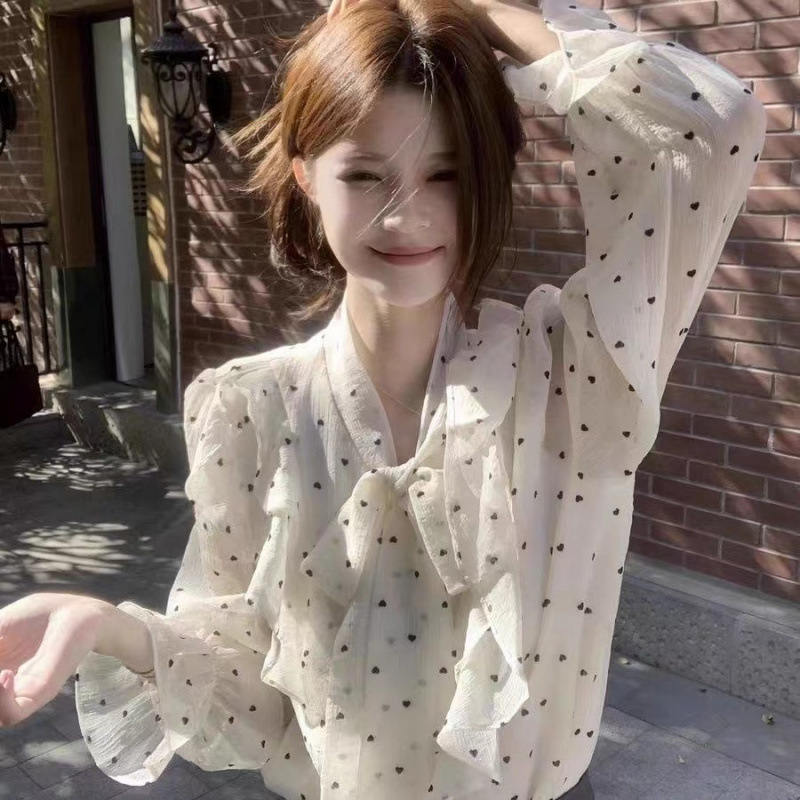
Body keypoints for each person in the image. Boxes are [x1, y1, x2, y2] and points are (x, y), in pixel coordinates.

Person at [0, 0, 765, 798]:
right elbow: (256, 706)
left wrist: (471, 14)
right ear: (306, 176)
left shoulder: (571, 379)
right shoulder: (249, 410)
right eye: (366, 174)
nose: (407, 215)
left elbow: (708, 128)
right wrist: (113, 630)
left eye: (447, 173)